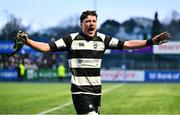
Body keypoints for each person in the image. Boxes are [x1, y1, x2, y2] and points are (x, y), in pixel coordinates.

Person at [16, 10, 170, 115]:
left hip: (97, 91)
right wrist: (27, 40)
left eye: (94, 21)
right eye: (88, 21)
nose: (91, 24)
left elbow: (128, 44)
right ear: (81, 24)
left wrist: (151, 41)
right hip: (80, 91)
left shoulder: (103, 39)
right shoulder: (71, 39)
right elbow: (45, 48)